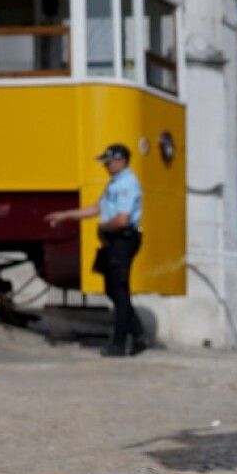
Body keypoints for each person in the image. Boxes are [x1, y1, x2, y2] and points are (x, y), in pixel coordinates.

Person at [46, 144, 146, 357]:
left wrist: (103, 227)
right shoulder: (114, 184)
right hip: (114, 241)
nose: (106, 166)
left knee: (120, 290)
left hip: (122, 239)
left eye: (109, 162)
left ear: (121, 161)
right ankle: (138, 334)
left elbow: (122, 220)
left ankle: (119, 344)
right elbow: (96, 208)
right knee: (112, 289)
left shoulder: (127, 184)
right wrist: (65, 215)